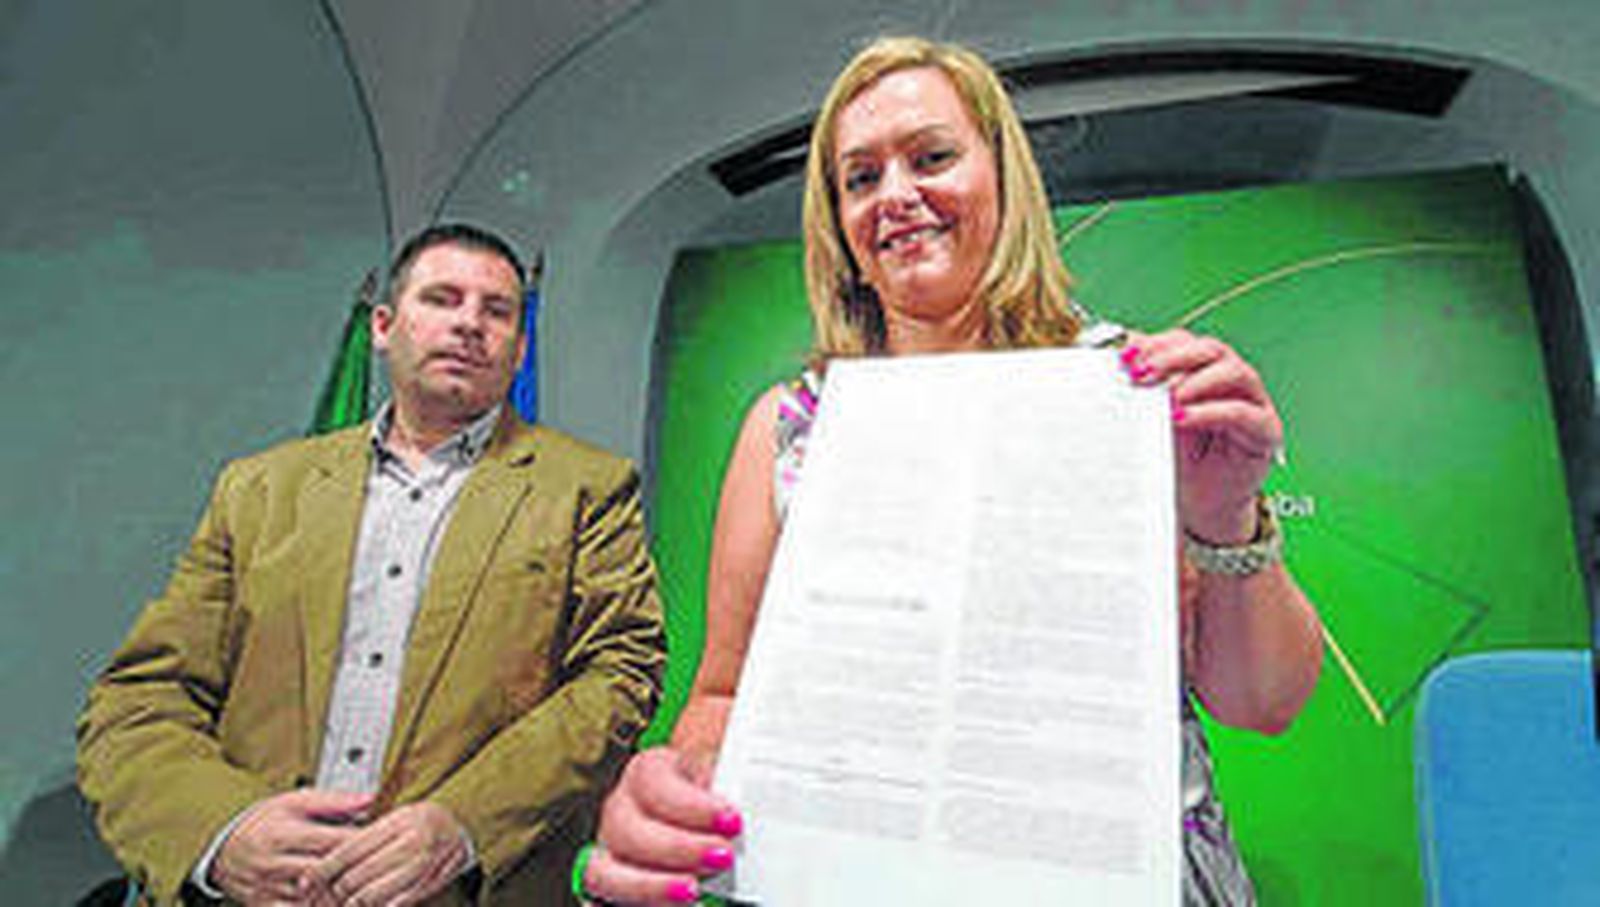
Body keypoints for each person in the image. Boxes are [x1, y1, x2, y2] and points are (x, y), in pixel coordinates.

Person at [579, 37, 1323, 907]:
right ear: (841, 227)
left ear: (1003, 179)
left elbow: (1262, 701)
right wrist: (689, 779)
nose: (895, 195)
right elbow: (721, 694)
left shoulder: (1133, 387)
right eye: (861, 178)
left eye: (931, 157)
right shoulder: (788, 429)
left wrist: (1226, 516)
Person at [77, 223, 667, 906]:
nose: (469, 323)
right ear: (383, 327)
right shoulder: (259, 489)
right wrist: (221, 831)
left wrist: (465, 824)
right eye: (441, 299)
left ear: (519, 348)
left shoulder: (586, 488)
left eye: (497, 310)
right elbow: (140, 697)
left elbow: (619, 676)